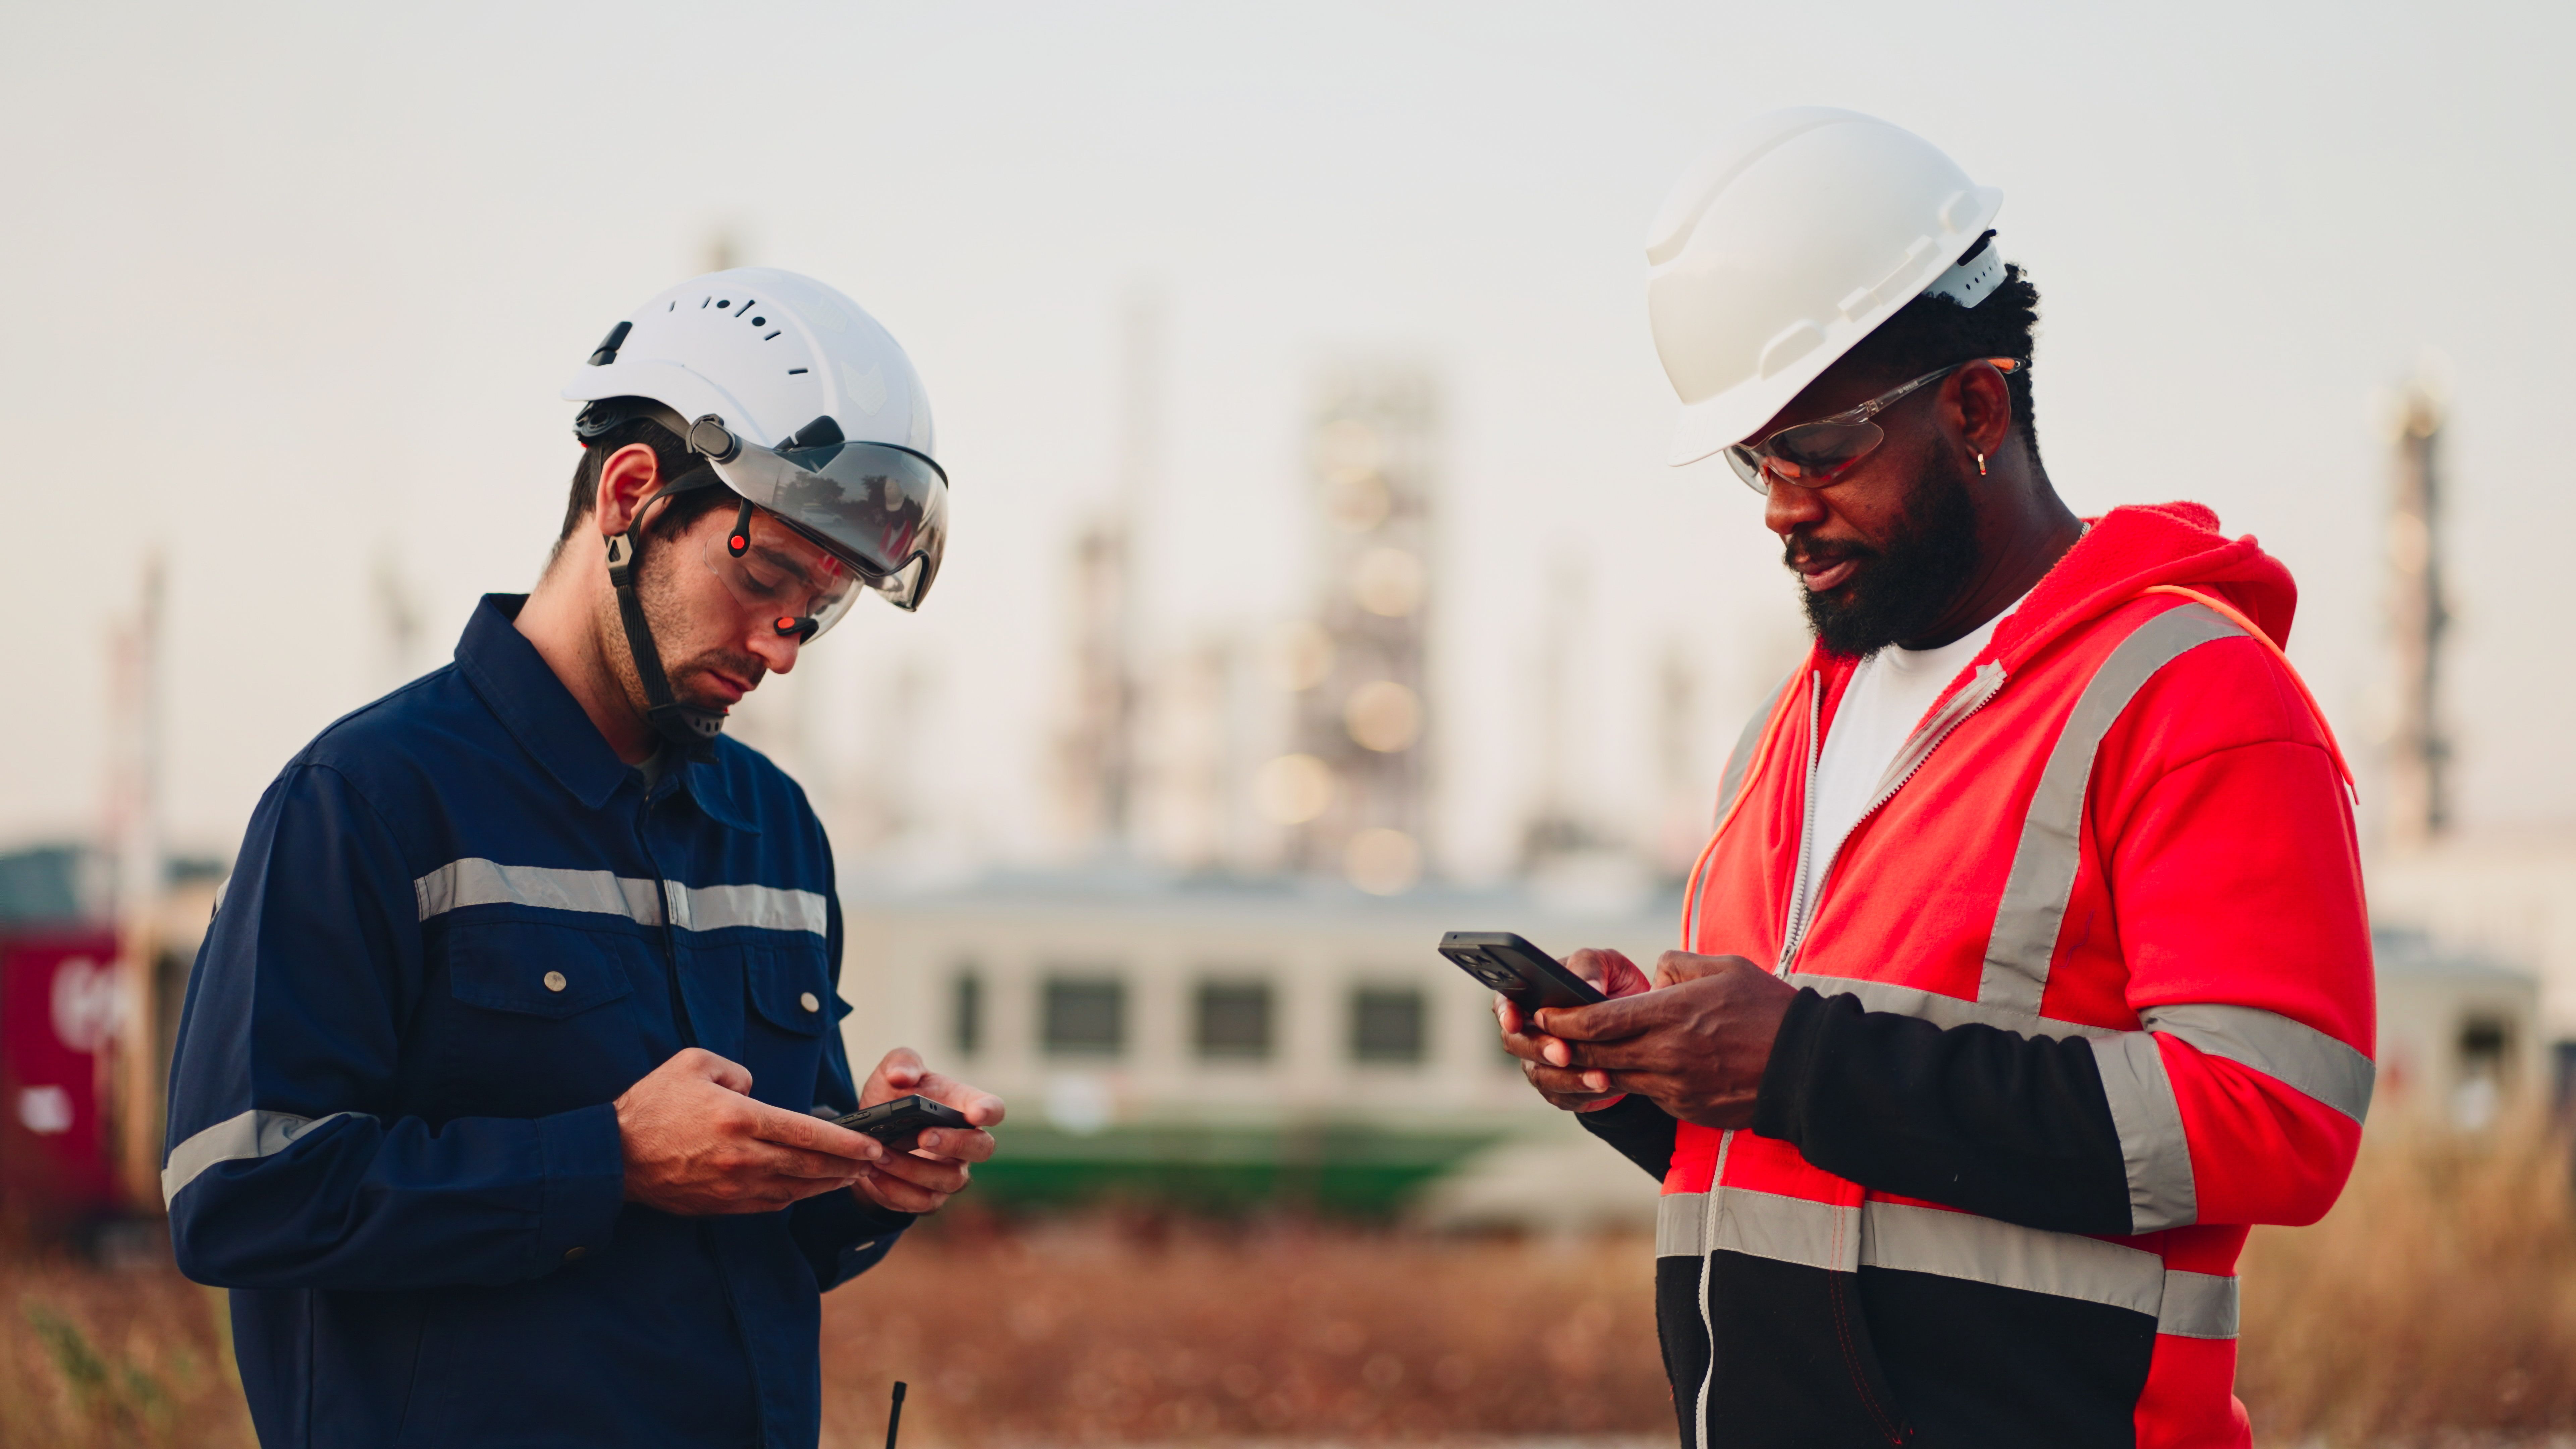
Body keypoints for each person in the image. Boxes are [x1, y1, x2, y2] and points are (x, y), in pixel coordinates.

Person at [1498, 111, 2374, 1448]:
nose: (1781, 505)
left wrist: (1797, 1058)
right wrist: (1647, 1076)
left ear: (1974, 407)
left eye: (1820, 446)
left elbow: (2278, 1123)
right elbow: (1830, 1165)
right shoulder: (1784, 738)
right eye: (1755, 459)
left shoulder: (2193, 698)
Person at [161, 268, 1004, 1448]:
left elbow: (753, 1241)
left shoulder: (773, 828)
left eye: (821, 606)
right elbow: (240, 1198)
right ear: (630, 493)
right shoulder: (367, 801)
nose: (784, 645)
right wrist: (607, 1159)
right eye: (763, 575)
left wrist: (857, 1175)